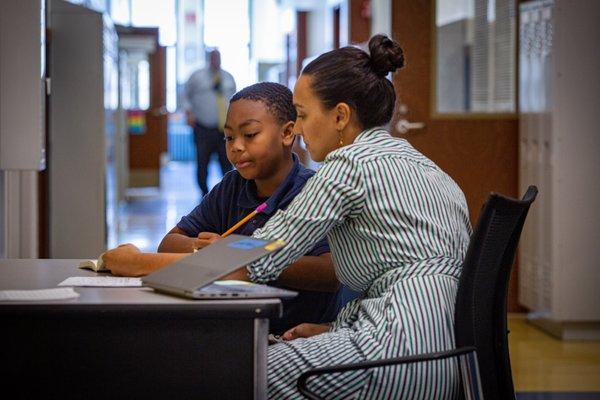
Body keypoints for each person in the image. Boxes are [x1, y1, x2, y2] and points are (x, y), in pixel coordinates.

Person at [104, 34, 472, 398]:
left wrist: (135, 263)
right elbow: (400, 282)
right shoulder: (424, 166)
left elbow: (252, 259)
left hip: (392, 358)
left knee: (232, 371)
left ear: (340, 116)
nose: (297, 129)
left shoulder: (347, 167)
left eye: (301, 115)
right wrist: (333, 329)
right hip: (445, 359)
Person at [109, 82, 341, 335]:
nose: (236, 146)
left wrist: (233, 254)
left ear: (287, 134)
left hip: (291, 333)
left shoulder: (314, 191)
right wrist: (207, 249)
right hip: (232, 324)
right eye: (229, 137)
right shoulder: (232, 185)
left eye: (250, 134)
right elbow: (170, 242)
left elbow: (330, 272)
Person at [183, 48, 236, 196]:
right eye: (213, 57)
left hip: (224, 130)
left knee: (226, 163)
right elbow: (185, 96)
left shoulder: (228, 78)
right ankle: (204, 194)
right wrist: (188, 112)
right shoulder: (197, 76)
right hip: (202, 127)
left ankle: (226, 194)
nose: (216, 60)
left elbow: (236, 101)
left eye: (218, 57)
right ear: (209, 58)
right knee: (202, 163)